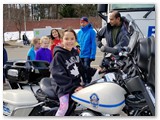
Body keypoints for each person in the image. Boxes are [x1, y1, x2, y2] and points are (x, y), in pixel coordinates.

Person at [50, 28, 97, 116]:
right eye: (66, 39)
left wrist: (96, 71)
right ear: (62, 39)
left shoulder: (74, 52)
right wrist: (72, 88)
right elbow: (59, 75)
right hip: (62, 86)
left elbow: (82, 68)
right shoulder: (59, 55)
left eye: (72, 39)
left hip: (74, 84)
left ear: (75, 40)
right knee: (64, 106)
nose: (69, 41)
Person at [77, 17, 97, 83]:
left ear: (87, 22)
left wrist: (92, 55)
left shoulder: (91, 31)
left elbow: (94, 44)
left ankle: (88, 81)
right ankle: (84, 81)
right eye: (81, 22)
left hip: (87, 55)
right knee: (81, 69)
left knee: (86, 68)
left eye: (84, 22)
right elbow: (76, 43)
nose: (82, 24)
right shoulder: (79, 32)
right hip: (80, 55)